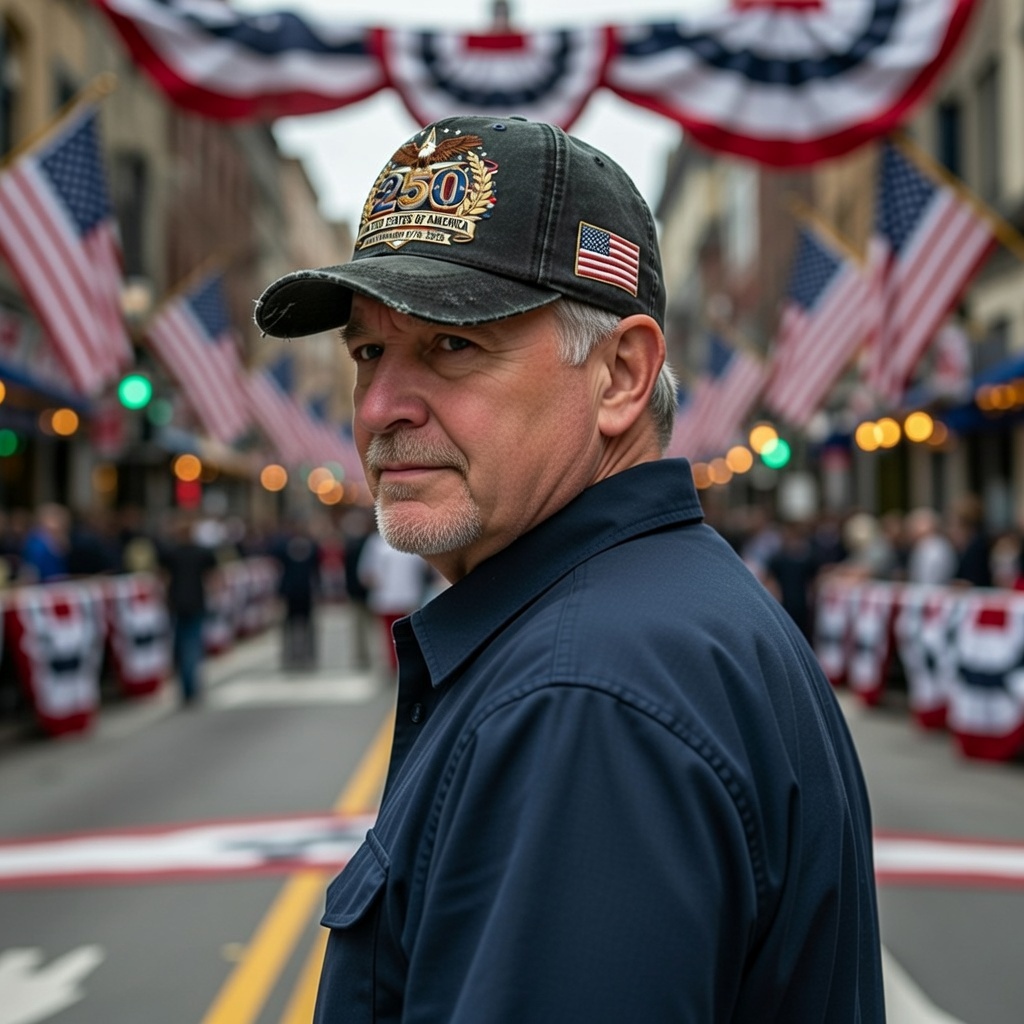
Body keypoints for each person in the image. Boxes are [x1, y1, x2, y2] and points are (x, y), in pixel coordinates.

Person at [255, 115, 884, 1021]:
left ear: (623, 375)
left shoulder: (581, 691)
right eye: (368, 352)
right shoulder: (653, 618)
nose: (380, 406)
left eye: (452, 343)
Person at [157, 512, 217, 706]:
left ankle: (186, 687)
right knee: (192, 646)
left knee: (182, 646)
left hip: (177, 603)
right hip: (194, 602)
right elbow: (213, 578)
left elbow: (162, 578)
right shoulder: (200, 552)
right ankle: (190, 687)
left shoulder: (171, 552)